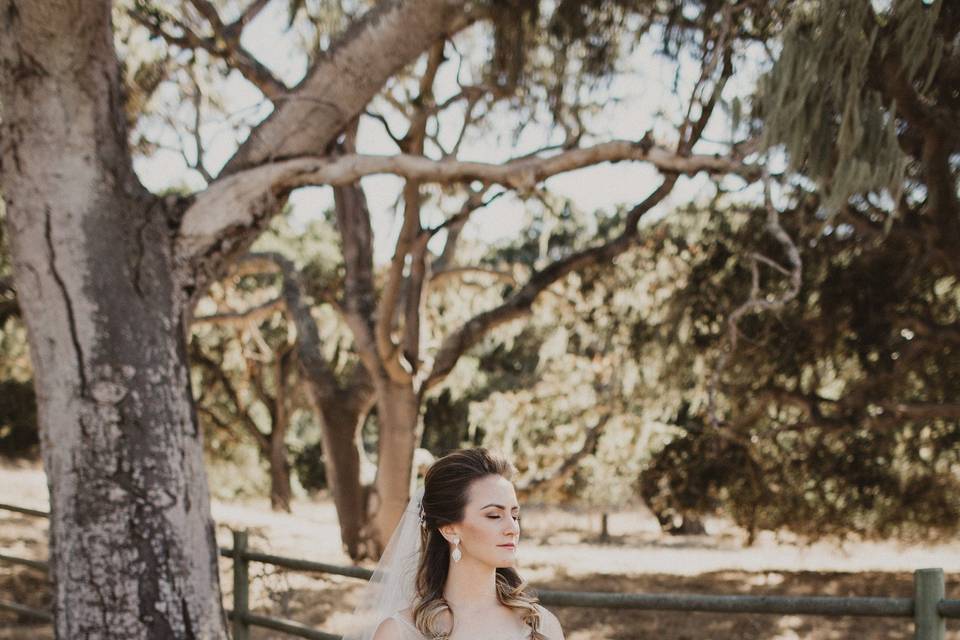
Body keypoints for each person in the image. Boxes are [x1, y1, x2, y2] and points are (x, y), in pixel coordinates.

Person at [344, 447, 565, 640]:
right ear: (449, 528)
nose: (512, 528)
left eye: (514, 515)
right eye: (494, 515)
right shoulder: (400, 633)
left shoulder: (541, 626)